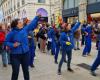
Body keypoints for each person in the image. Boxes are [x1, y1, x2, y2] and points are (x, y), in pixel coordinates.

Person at [5, 14, 41, 80]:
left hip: (25, 54)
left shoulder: (25, 29)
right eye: (20, 22)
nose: (22, 23)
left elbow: (31, 24)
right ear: (16, 25)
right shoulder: (11, 33)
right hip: (15, 55)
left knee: (26, 71)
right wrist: (13, 45)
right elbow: (6, 42)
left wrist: (37, 17)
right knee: (15, 72)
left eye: (21, 22)